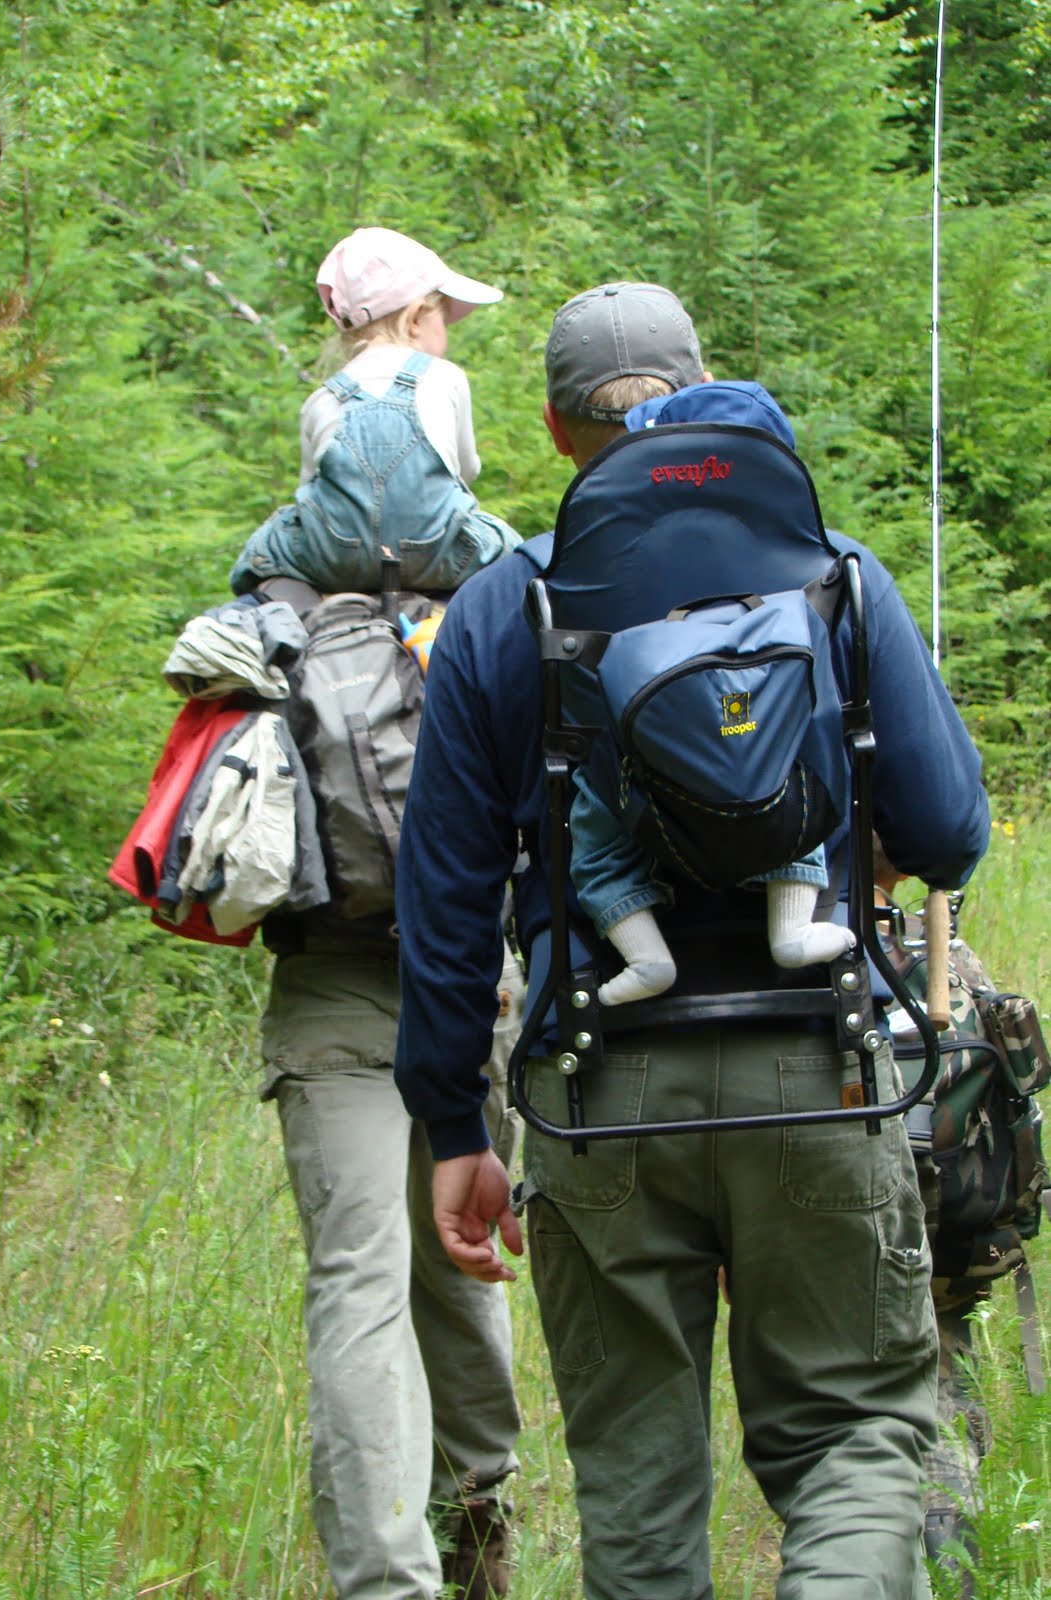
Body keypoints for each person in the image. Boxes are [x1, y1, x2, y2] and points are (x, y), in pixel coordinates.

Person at [392, 280, 991, 1599]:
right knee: (850, 1444)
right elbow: (948, 831)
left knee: (636, 1495)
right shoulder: (832, 574)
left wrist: (450, 1124)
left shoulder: (502, 606)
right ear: (703, 389)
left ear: (555, 431)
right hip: (819, 1068)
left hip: (599, 1089)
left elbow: (441, 901)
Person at [248, 234, 524, 1600]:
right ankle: (481, 1537)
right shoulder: (485, 608)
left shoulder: (278, 598)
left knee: (358, 1283)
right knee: (461, 1255)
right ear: (418, 317)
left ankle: (387, 1585)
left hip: (331, 982)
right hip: (468, 979)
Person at [568, 378, 856, 1006]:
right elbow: (946, 830)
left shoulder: (594, 567)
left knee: (594, 823)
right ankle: (792, 927)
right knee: (806, 761)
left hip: (639, 773)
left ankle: (645, 954)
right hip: (766, 758)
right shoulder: (823, 571)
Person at [229, 225, 522, 598]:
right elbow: (466, 471)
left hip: (336, 560)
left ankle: (264, 615)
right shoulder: (445, 377)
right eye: (444, 319)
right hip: (439, 554)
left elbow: (309, 490)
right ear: (416, 318)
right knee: (513, 549)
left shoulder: (323, 398)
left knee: (263, 546)